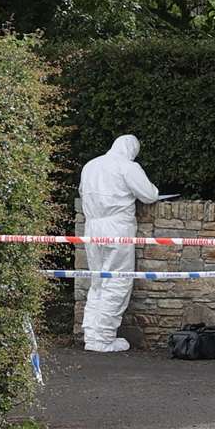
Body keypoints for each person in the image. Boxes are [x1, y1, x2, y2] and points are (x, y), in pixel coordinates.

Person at [79, 135, 162, 353]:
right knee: (117, 281)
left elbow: (82, 193)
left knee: (98, 282)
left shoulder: (91, 166)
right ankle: (104, 338)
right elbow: (149, 195)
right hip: (117, 228)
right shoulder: (127, 166)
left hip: (92, 228)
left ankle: (91, 334)